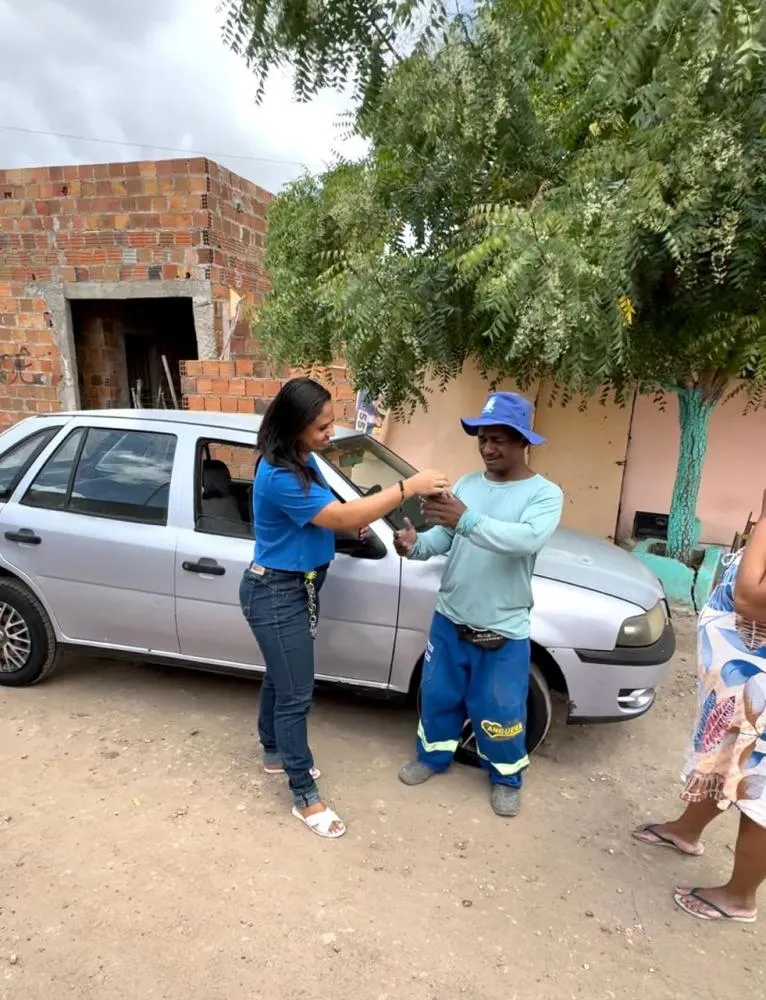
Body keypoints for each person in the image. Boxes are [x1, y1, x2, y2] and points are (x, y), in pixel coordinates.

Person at [239, 377, 449, 839]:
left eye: (331, 423)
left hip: (297, 589)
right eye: (321, 427)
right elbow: (339, 514)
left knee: (281, 676)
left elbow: (323, 519)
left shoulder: (302, 460)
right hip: (276, 592)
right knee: (296, 693)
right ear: (295, 426)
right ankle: (304, 796)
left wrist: (341, 531)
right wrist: (407, 486)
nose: (329, 433)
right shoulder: (278, 474)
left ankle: (273, 750)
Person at [395, 391, 563, 817]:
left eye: (500, 439)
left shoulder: (544, 495)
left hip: (503, 628)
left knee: (501, 708)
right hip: (450, 618)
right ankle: (432, 757)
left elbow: (524, 541)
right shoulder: (467, 485)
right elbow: (445, 539)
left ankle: (506, 777)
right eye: (483, 438)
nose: (488, 448)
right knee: (438, 697)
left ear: (523, 441)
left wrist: (465, 519)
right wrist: (414, 546)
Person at [632, 490, 766, 923]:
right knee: (727, 760)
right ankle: (687, 830)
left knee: (758, 785)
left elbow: (749, 596)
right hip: (743, 678)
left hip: (756, 682)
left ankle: (739, 896)